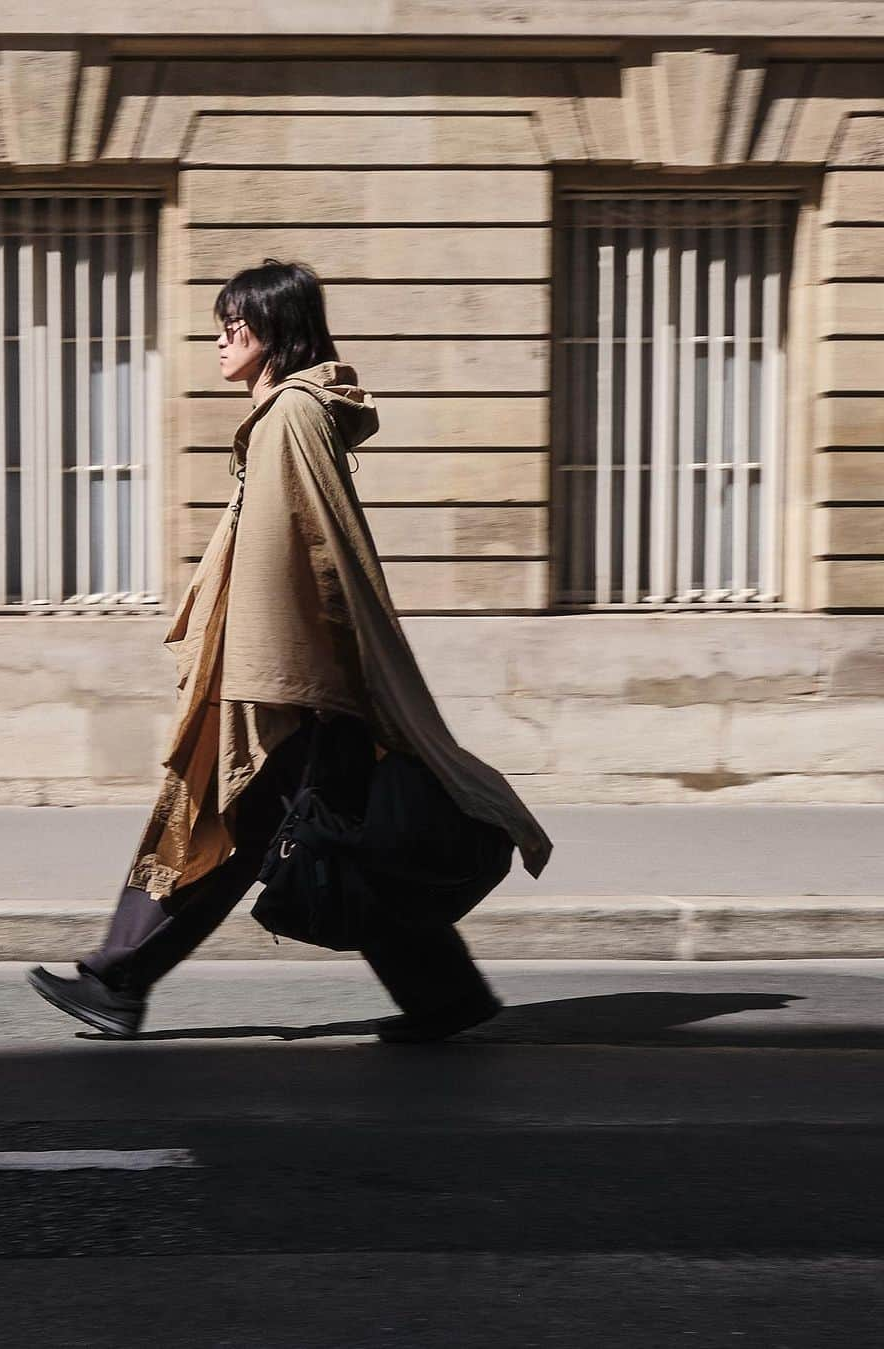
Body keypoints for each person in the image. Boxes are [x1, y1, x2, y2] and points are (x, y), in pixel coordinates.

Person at [28, 258, 552, 1043]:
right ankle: (445, 997)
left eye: (233, 327)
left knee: (230, 831)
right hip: (289, 681)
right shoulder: (284, 416)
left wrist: (276, 686)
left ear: (272, 331)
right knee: (303, 838)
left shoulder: (289, 419)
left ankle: (119, 978)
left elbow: (305, 566)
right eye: (219, 326)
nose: (220, 341)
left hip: (288, 686)